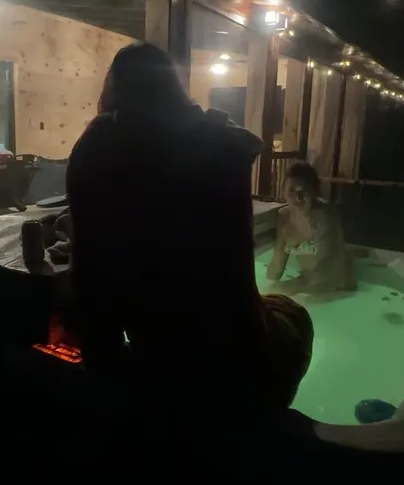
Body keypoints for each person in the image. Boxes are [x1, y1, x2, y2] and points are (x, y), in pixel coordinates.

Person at [66, 42, 313, 424]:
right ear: (174, 90)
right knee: (295, 315)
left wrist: (110, 380)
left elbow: (90, 287)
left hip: (164, 363)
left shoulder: (97, 152)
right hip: (248, 363)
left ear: (113, 94)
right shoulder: (220, 145)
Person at [266, 161, 355, 295]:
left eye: (305, 190)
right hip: (309, 281)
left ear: (314, 192)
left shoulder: (325, 217)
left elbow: (325, 271)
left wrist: (299, 292)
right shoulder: (285, 217)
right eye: (292, 190)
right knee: (269, 293)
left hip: (337, 286)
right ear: (283, 191)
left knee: (297, 301)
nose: (298, 197)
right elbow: (276, 267)